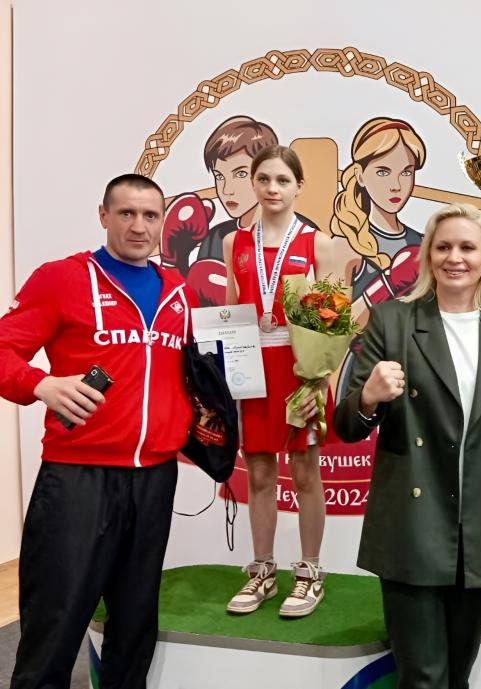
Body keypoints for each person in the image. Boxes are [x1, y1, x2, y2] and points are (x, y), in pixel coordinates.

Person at [0, 175, 198, 688]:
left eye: (150, 215)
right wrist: (40, 383)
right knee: (56, 621)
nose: (139, 226)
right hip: (77, 477)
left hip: (154, 478)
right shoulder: (61, 278)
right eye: (126, 213)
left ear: (162, 221)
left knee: (134, 625)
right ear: (104, 215)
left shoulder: (179, 291)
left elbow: (192, 377)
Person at [334, 203, 481, 689]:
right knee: (423, 678)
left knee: (457, 675)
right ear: (428, 256)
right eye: (443, 247)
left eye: (467, 247)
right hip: (414, 524)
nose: (455, 258)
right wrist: (368, 396)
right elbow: (346, 426)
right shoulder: (392, 320)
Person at [223, 144, 340, 618]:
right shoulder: (234, 243)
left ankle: (310, 573)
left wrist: (320, 383)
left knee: (306, 472)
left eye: (283, 180)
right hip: (252, 369)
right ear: (253, 183)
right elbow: (232, 312)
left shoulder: (319, 244)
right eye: (264, 179)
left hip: (299, 371)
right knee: (259, 474)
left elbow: (330, 323)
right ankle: (263, 571)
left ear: (299, 186)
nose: (273, 188)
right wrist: (226, 373)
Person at [159, 115, 317, 306]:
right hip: (238, 327)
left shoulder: (307, 234)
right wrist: (175, 262)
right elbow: (200, 310)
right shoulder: (218, 237)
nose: (227, 190)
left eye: (240, 173)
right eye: (219, 176)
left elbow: (327, 308)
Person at [331, 117, 427, 325]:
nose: (396, 185)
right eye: (383, 172)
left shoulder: (425, 243)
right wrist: (386, 285)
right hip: (364, 347)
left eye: (406, 172)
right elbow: (332, 330)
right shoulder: (345, 245)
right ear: (360, 175)